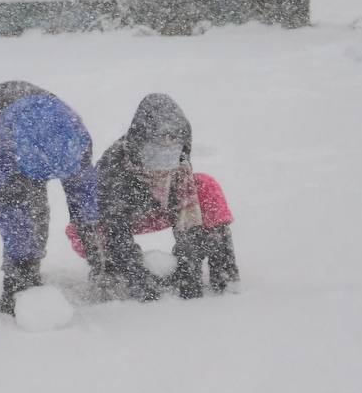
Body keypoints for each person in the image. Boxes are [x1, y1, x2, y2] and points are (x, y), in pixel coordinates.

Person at [67, 93, 239, 301]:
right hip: (120, 220)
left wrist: (188, 269)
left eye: (170, 155)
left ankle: (224, 275)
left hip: (159, 212)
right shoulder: (114, 166)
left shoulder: (179, 169)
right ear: (138, 147)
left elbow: (187, 222)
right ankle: (109, 273)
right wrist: (136, 275)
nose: (162, 166)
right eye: (154, 155)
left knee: (206, 186)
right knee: (87, 226)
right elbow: (115, 232)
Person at [0, 81, 102, 315]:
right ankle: (23, 273)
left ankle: (34, 261)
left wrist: (94, 240)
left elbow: (83, 190)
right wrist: (22, 264)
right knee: (25, 212)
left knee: (65, 204)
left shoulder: (75, 135)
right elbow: (8, 213)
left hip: (33, 120)